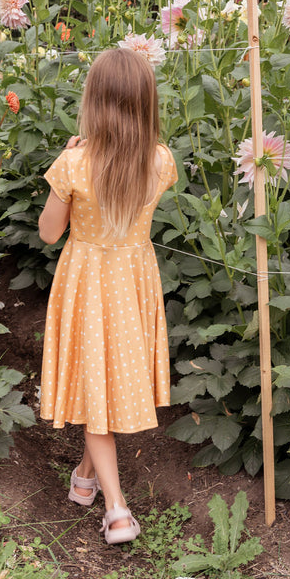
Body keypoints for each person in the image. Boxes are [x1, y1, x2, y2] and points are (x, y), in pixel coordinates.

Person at [38, 47, 177, 544]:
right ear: (146, 101)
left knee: (97, 386)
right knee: (104, 378)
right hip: (133, 277)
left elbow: (49, 234)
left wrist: (72, 164)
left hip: (88, 279)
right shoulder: (161, 160)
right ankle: (85, 478)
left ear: (94, 101)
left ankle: (117, 510)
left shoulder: (74, 163)